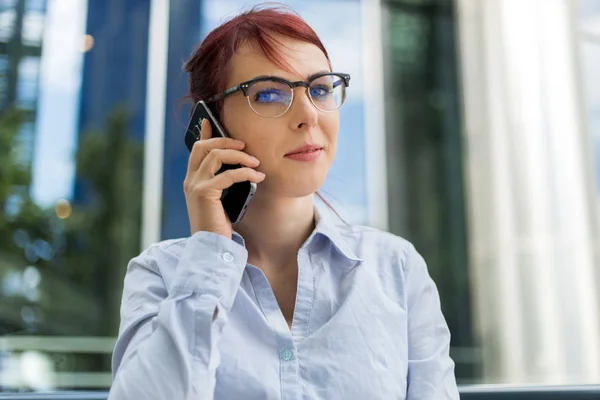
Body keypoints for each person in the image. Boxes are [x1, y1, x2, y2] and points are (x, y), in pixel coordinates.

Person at [109, 4, 459, 400]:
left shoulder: (396, 270)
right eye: (270, 93)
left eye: (321, 89)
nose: (309, 115)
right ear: (209, 124)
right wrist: (210, 251)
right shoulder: (163, 275)